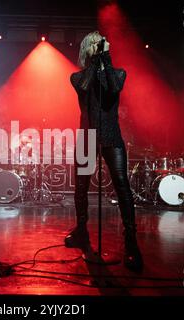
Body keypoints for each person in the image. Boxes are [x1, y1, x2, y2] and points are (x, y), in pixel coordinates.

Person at [65, 31, 143, 272]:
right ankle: (81, 231)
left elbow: (113, 88)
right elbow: (87, 86)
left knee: (122, 185)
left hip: (111, 135)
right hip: (87, 135)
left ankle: (131, 242)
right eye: (97, 46)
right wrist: (95, 61)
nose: (102, 48)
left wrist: (105, 59)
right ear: (89, 49)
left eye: (103, 46)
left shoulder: (118, 73)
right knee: (81, 186)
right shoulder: (77, 77)